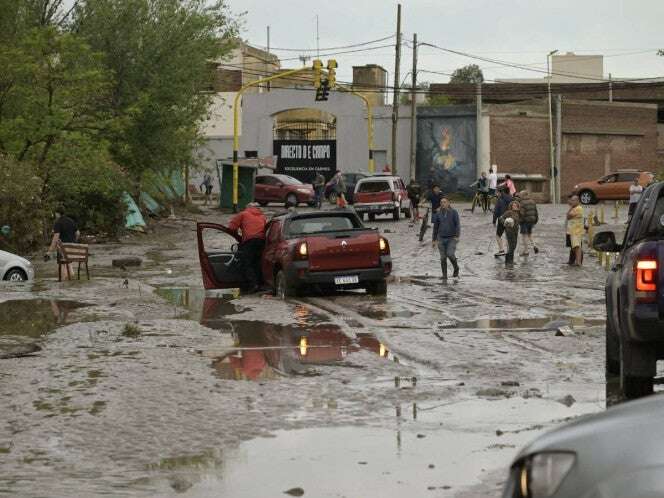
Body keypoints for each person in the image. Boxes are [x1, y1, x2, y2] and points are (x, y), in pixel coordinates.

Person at [227, 202, 267, 293]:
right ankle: (260, 284)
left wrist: (239, 237)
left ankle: (253, 285)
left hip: (249, 241)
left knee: (246, 263)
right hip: (262, 241)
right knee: (258, 263)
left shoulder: (243, 214)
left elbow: (231, 228)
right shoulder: (262, 217)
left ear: (247, 208)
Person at [45, 207, 80, 276]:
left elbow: (55, 239)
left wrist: (49, 251)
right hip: (71, 249)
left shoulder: (58, 222)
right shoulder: (71, 221)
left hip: (62, 249)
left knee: (63, 266)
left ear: (58, 213)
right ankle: (71, 282)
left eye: (55, 213)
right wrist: (74, 241)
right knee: (69, 264)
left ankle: (63, 284)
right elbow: (78, 233)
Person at [431, 197, 460, 279]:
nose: (442, 204)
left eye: (444, 202)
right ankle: (444, 275)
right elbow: (435, 227)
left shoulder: (454, 212)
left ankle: (456, 268)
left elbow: (457, 224)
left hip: (452, 238)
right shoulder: (438, 214)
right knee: (443, 258)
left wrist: (457, 236)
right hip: (441, 238)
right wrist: (433, 240)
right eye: (441, 202)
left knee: (450, 254)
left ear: (448, 203)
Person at [499, 200, 521, 265]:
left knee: (514, 245)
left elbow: (521, 220)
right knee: (511, 245)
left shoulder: (518, 213)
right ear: (511, 206)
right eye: (513, 206)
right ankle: (510, 261)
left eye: (516, 205)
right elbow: (500, 218)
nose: (515, 207)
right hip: (509, 231)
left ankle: (508, 259)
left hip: (516, 230)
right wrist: (505, 222)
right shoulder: (508, 212)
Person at [518, 190, 539, 256]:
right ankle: (534, 245)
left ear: (523, 195)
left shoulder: (522, 202)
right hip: (532, 221)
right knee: (529, 234)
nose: (519, 196)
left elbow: (522, 213)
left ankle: (526, 251)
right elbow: (536, 212)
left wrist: (519, 220)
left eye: (520, 195)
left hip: (524, 221)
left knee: (524, 236)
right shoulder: (532, 201)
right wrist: (535, 220)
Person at [492, 188, 513, 257]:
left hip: (502, 220)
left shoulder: (499, 200)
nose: (496, 194)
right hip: (510, 220)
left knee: (498, 235)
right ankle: (509, 251)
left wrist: (494, 221)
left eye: (496, 192)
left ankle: (501, 250)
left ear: (500, 192)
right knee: (508, 235)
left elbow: (496, 212)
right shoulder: (511, 198)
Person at [566, 195, 584, 266]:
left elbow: (568, 216)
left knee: (577, 246)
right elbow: (568, 217)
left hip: (576, 231)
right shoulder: (574, 208)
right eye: (571, 200)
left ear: (577, 201)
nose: (571, 202)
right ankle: (575, 261)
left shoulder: (578, 208)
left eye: (573, 200)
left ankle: (578, 262)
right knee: (573, 247)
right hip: (572, 230)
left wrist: (570, 208)